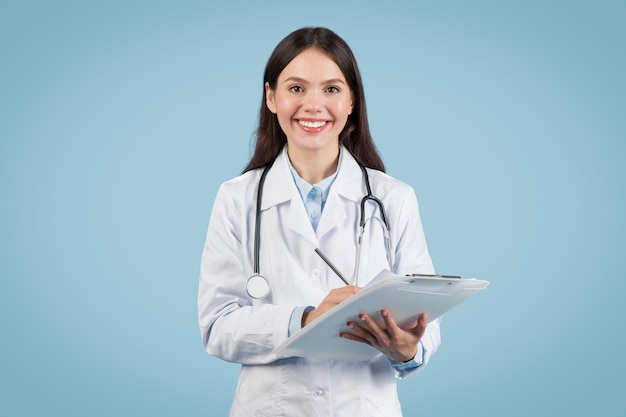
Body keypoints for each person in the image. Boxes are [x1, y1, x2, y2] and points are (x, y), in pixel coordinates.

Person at [198, 27, 441, 417]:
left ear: (351, 102)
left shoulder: (394, 198)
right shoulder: (236, 198)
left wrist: (408, 350)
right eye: (296, 88)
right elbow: (217, 328)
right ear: (271, 97)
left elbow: (424, 327)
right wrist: (306, 320)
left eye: (331, 89)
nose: (313, 104)